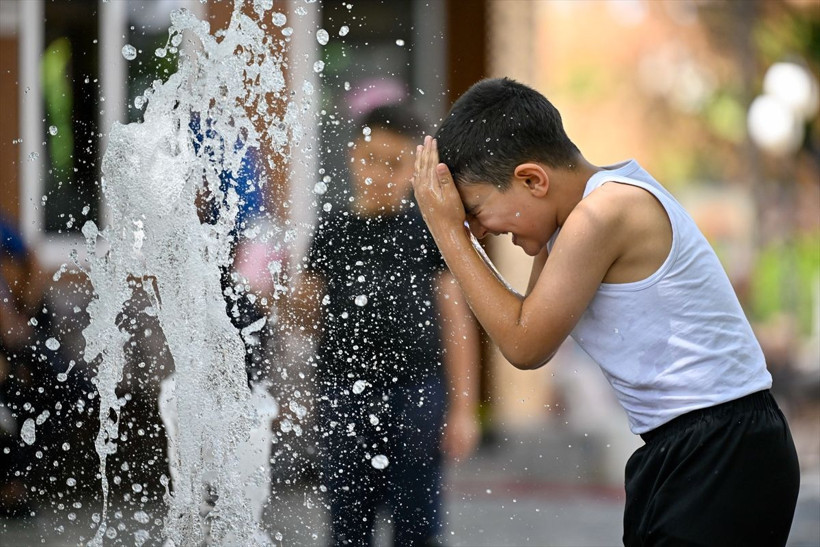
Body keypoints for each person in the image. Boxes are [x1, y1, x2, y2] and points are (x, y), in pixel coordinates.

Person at [411, 77, 800, 546]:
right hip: (685, 444)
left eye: (475, 211)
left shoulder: (605, 212)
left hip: (724, 444)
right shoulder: (571, 221)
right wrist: (457, 229)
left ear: (533, 180)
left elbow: (523, 344)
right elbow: (526, 328)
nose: (478, 231)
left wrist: (447, 233)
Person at [290, 103, 481, 546]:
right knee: (347, 524)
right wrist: (286, 297)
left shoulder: (429, 230)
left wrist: (463, 410)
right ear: (353, 156)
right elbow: (305, 319)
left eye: (394, 164)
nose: (378, 174)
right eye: (371, 159)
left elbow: (455, 321)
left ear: (415, 171)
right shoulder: (333, 230)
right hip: (343, 392)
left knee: (418, 522)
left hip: (417, 393)